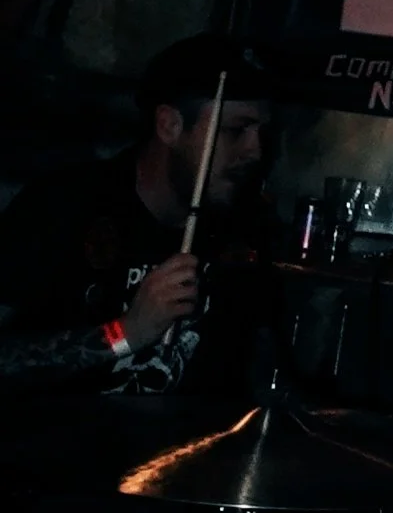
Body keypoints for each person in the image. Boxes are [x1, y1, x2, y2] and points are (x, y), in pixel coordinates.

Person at [0, 34, 270, 399]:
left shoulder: (243, 231)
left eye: (262, 132)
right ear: (169, 125)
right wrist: (125, 333)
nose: (255, 151)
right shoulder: (63, 207)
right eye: (236, 130)